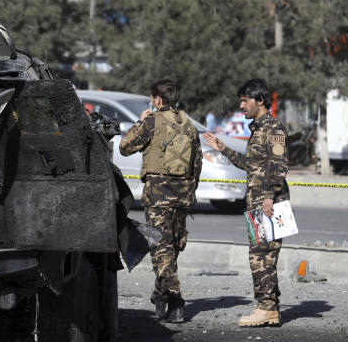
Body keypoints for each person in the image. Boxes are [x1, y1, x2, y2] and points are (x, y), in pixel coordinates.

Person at [204, 78, 289, 327]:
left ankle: (266, 309)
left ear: (260, 101)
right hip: (257, 203)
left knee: (262, 256)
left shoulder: (273, 128)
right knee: (261, 255)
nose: (241, 105)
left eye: (245, 100)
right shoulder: (258, 129)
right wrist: (223, 149)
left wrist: (270, 196)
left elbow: (280, 166)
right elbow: (251, 165)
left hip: (268, 204)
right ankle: (268, 308)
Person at [119, 79, 202, 323]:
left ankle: (175, 300)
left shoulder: (151, 121)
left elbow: (125, 147)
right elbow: (197, 162)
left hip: (158, 195)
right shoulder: (189, 124)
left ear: (157, 99)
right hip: (183, 194)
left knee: (160, 248)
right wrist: (189, 190)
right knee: (170, 248)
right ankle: (160, 295)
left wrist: (140, 121)